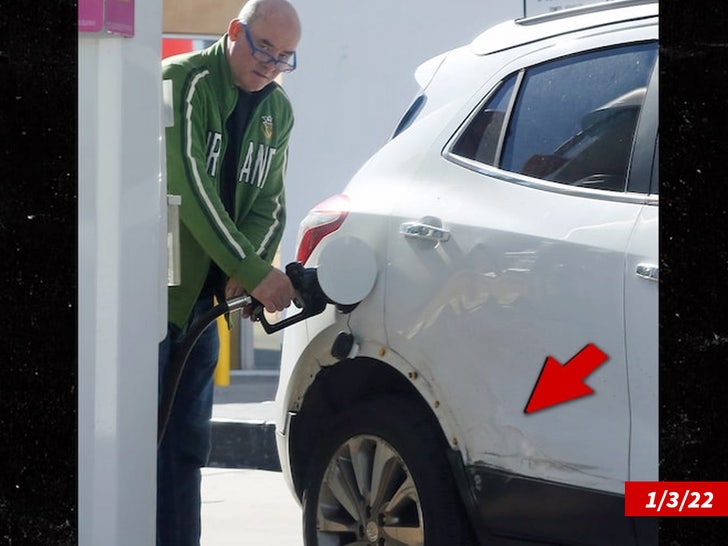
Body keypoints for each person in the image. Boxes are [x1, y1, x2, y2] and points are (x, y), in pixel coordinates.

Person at [157, 1, 301, 544]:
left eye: (286, 57)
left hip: (205, 305)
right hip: (158, 297)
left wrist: (250, 273)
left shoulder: (279, 111)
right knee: (142, 443)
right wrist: (247, 268)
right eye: (265, 48)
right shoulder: (184, 80)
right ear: (235, 32)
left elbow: (270, 202)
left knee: (188, 444)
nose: (272, 65)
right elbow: (185, 185)